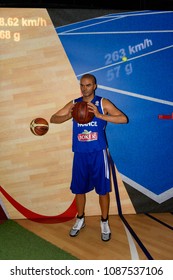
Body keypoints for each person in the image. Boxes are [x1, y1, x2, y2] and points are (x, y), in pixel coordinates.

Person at [50, 74, 127, 241]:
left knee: (103, 189)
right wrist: (68, 115)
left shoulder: (102, 102)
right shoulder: (75, 103)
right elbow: (53, 118)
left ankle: (104, 221)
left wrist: (100, 116)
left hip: (98, 152)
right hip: (80, 153)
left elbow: (123, 118)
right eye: (82, 85)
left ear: (95, 86)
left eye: (88, 85)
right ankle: (80, 219)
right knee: (78, 189)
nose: (85, 88)